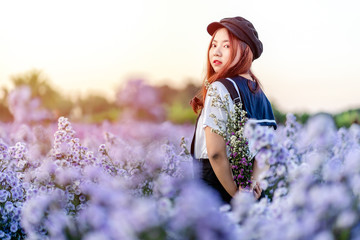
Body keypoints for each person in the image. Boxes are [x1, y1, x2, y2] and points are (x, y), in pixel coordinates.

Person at [190, 16, 277, 204]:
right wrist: (251, 186)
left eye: (227, 46)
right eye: (214, 45)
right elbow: (266, 152)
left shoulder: (219, 88)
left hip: (215, 187)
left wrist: (237, 195)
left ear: (246, 51)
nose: (217, 52)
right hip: (249, 189)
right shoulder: (260, 94)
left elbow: (215, 153)